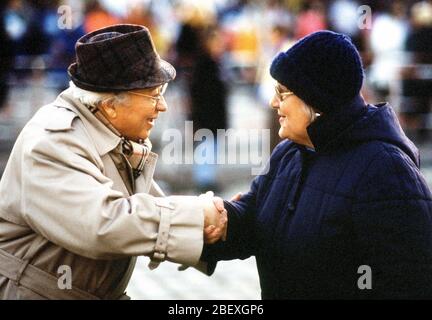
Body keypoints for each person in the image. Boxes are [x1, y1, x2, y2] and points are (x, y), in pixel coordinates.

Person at [0, 24, 226, 300]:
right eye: (154, 95)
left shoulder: (103, 128)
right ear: (110, 105)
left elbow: (149, 204)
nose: (163, 106)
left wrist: (219, 223)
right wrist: (198, 216)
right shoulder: (53, 139)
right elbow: (104, 224)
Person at [203, 30, 432, 299]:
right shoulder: (289, 152)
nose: (273, 102)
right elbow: (256, 216)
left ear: (316, 98)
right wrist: (221, 219)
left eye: (282, 92)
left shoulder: (385, 169)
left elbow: (411, 281)